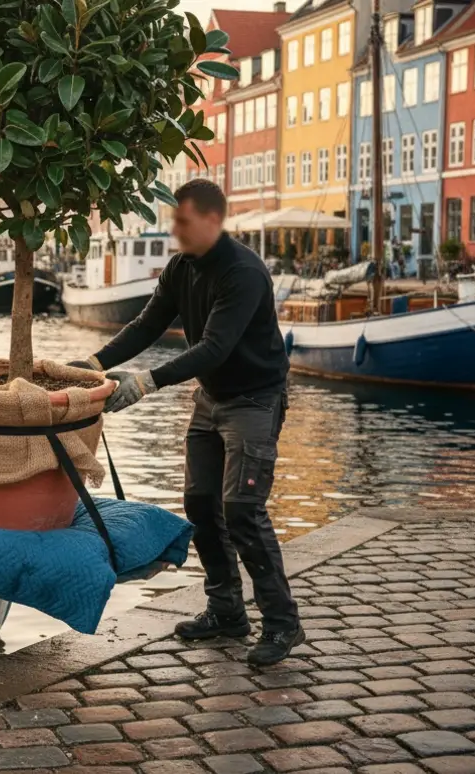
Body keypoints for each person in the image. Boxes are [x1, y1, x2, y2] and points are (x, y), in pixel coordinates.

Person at [67, 179, 302, 666]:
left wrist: (145, 383)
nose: (174, 229)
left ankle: (282, 623)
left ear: (212, 220)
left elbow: (213, 347)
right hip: (211, 397)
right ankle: (226, 612)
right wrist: (88, 365)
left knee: (242, 508)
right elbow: (147, 326)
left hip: (255, 400)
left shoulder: (244, 273)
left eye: (182, 220)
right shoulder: (180, 267)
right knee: (199, 502)